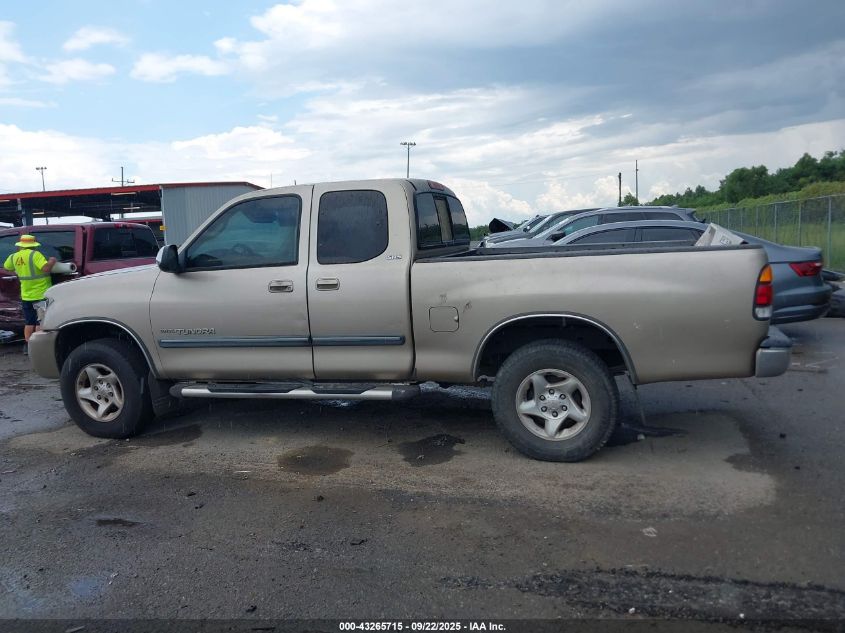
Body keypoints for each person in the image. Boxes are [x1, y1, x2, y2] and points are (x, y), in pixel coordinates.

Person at [2, 234, 56, 354]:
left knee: (29, 321)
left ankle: (28, 346)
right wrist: (52, 261)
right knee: (40, 321)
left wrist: (18, 272)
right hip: (40, 295)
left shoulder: (13, 257)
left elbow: (6, 268)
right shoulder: (35, 255)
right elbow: (46, 268)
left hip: (26, 295)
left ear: (21, 246)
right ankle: (39, 347)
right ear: (33, 246)